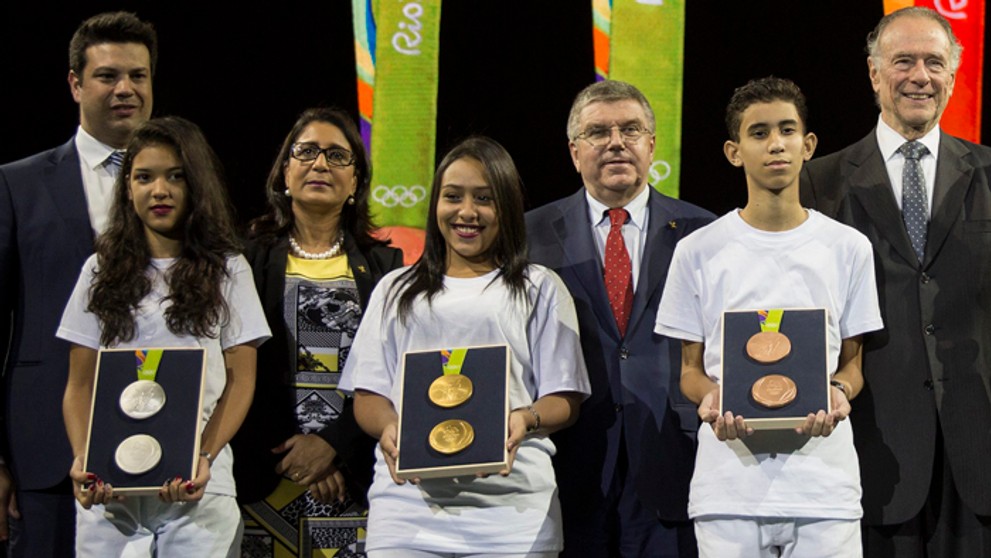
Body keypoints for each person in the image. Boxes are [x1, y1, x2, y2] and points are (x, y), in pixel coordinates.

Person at [655, 77, 883, 557]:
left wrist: (838, 394)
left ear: (808, 145)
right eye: (758, 133)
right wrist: (713, 400)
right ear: (734, 151)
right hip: (729, 489)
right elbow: (690, 374)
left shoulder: (848, 248)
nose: (775, 144)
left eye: (787, 130)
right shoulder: (697, 251)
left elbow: (853, 366)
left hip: (825, 489)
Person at [339, 136, 591, 557]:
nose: (466, 212)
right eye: (452, 197)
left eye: (484, 199)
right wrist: (389, 427)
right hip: (408, 513)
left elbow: (565, 397)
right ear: (435, 204)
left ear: (507, 208)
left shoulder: (541, 288)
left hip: (513, 513)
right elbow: (369, 394)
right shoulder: (395, 290)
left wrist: (524, 418)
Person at [800, 7, 991, 556]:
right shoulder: (818, 183)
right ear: (874, 73)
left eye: (935, 63)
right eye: (903, 61)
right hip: (869, 445)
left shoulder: (988, 172)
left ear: (953, 77)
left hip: (977, 447)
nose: (920, 76)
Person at [58, 116, 271, 556]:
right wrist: (86, 461)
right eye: (144, 177)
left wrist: (204, 457)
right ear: (127, 188)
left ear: (197, 184)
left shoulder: (228, 270)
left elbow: (241, 380)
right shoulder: (99, 271)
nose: (159, 190)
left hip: (197, 493)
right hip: (111, 497)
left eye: (176, 176)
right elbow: (80, 384)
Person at [525, 80, 714, 557]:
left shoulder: (704, 232)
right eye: (598, 132)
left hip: (672, 454)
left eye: (631, 129)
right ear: (574, 152)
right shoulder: (529, 236)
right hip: (570, 458)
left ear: (651, 145)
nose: (616, 142)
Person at [0, 11, 156, 556]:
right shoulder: (17, 184)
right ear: (74, 84)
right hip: (43, 448)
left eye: (138, 76)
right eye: (107, 76)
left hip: (167, 444)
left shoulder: (187, 189)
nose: (125, 90)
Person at [230, 108, 403, 557]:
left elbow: (390, 375)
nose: (320, 164)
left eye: (337, 156)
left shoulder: (386, 268)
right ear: (284, 172)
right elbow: (236, 371)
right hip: (266, 474)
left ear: (356, 183)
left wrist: (332, 447)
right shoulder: (243, 260)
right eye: (305, 152)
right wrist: (296, 452)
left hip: (350, 479)